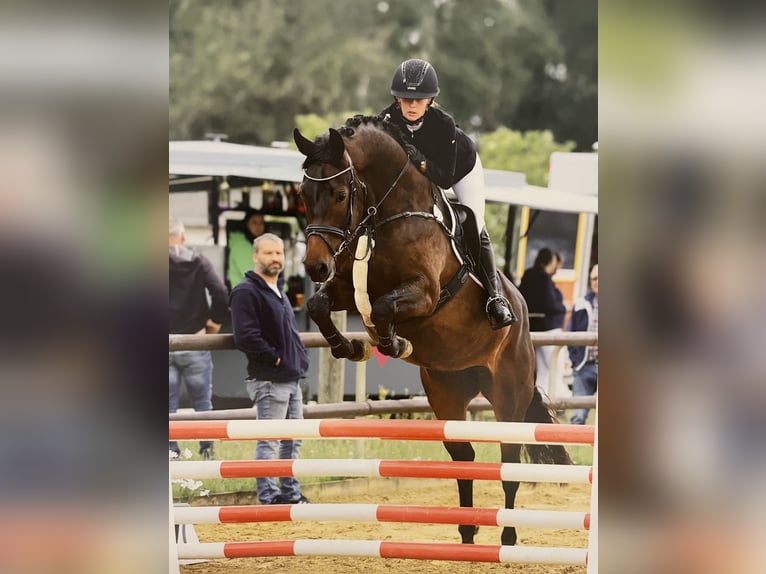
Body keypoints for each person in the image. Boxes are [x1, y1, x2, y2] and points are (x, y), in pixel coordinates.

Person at [380, 58, 515, 329]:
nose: (411, 105)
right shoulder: (386, 119)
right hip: (420, 177)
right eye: (406, 99)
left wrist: (417, 158)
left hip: (460, 170)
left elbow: (443, 177)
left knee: (475, 224)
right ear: (397, 98)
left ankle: (495, 297)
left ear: (430, 100)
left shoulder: (443, 123)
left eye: (419, 99)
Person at [230, 233, 311, 505]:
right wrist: (275, 358)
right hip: (269, 379)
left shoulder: (278, 289)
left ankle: (290, 493)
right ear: (255, 257)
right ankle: (269, 496)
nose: (275, 258)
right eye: (268, 253)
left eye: (278, 253)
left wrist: (297, 359)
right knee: (269, 440)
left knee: (292, 441)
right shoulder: (245, 291)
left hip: (290, 377)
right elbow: (246, 336)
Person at [169, 216, 228, 459]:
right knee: (202, 401)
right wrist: (214, 321)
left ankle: (170, 452)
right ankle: (206, 449)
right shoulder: (199, 261)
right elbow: (221, 292)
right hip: (195, 339)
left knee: (166, 405)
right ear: (182, 237)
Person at [518, 247, 567, 395]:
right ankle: (556, 398)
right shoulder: (544, 278)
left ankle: (543, 397)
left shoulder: (528, 275)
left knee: (541, 369)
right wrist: (562, 308)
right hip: (549, 327)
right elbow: (550, 303)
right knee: (554, 367)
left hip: (532, 327)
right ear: (550, 261)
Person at [567, 264, 598, 424]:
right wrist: (576, 361)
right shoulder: (580, 303)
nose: (597, 282)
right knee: (578, 415)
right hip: (584, 365)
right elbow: (570, 334)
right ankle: (575, 448)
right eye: (594, 278)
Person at [227, 209, 266, 290]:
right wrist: (282, 287)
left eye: (261, 223)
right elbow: (255, 276)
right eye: (254, 222)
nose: (258, 226)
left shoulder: (256, 245)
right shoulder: (241, 246)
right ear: (247, 224)